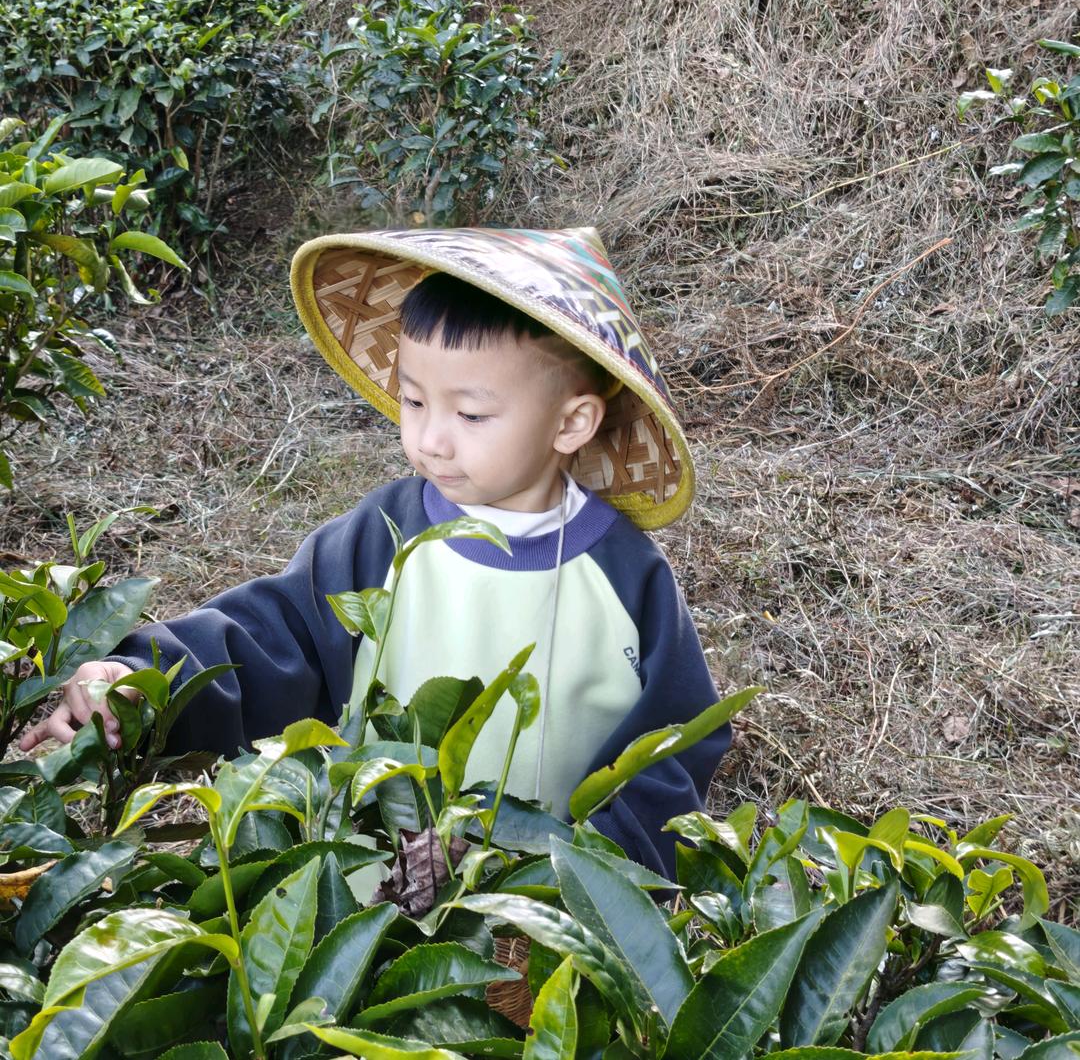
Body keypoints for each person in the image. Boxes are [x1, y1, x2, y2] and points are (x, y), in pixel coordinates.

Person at [19, 226, 731, 880]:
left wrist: (581, 873)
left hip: (542, 918)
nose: (431, 439)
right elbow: (275, 633)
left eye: (472, 415)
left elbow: (673, 747)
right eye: (415, 402)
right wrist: (145, 678)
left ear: (571, 422)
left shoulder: (624, 576)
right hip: (373, 885)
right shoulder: (385, 535)